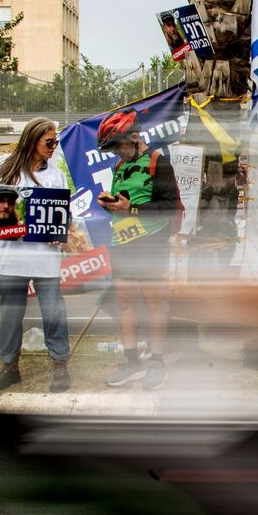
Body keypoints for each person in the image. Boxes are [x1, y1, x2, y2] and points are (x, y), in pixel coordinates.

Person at [96, 110, 180, 390]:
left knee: (154, 302)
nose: (117, 153)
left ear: (134, 137)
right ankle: (132, 361)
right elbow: (123, 203)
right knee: (124, 302)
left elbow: (168, 208)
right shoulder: (120, 167)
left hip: (152, 242)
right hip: (123, 242)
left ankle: (157, 362)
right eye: (112, 150)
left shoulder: (159, 162)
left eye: (118, 146)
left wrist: (129, 208)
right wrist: (109, 204)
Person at [0, 118, 71, 393]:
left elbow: (63, 215)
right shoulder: (6, 173)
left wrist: (65, 230)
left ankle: (59, 365)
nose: (53, 146)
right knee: (10, 315)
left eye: (55, 141)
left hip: (46, 257)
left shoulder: (55, 174)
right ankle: (9, 366)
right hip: (12, 257)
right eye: (49, 142)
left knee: (54, 313)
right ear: (31, 140)